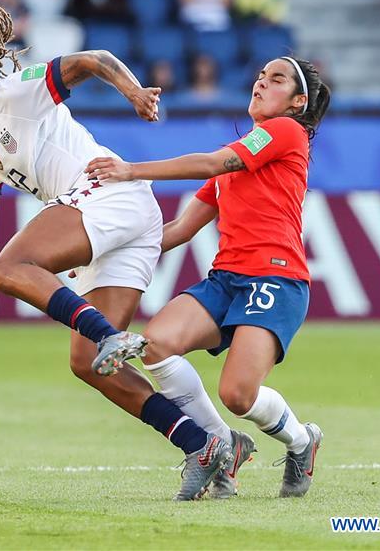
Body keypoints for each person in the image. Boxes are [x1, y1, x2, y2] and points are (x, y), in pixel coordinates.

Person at [0, 0, 241, 500]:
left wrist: (132, 90)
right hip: (126, 219)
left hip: (106, 190)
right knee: (85, 364)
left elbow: (91, 59)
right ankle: (202, 446)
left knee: (7, 269)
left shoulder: (13, 92)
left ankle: (109, 335)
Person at [86, 55, 331, 499]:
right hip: (225, 280)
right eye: (259, 75)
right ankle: (223, 444)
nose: (260, 83)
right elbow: (178, 231)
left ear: (297, 103)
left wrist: (131, 170)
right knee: (157, 343)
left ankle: (301, 441)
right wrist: (97, 250)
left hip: (275, 279)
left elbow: (214, 164)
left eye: (275, 80)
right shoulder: (236, 157)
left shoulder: (284, 133)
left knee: (239, 394)